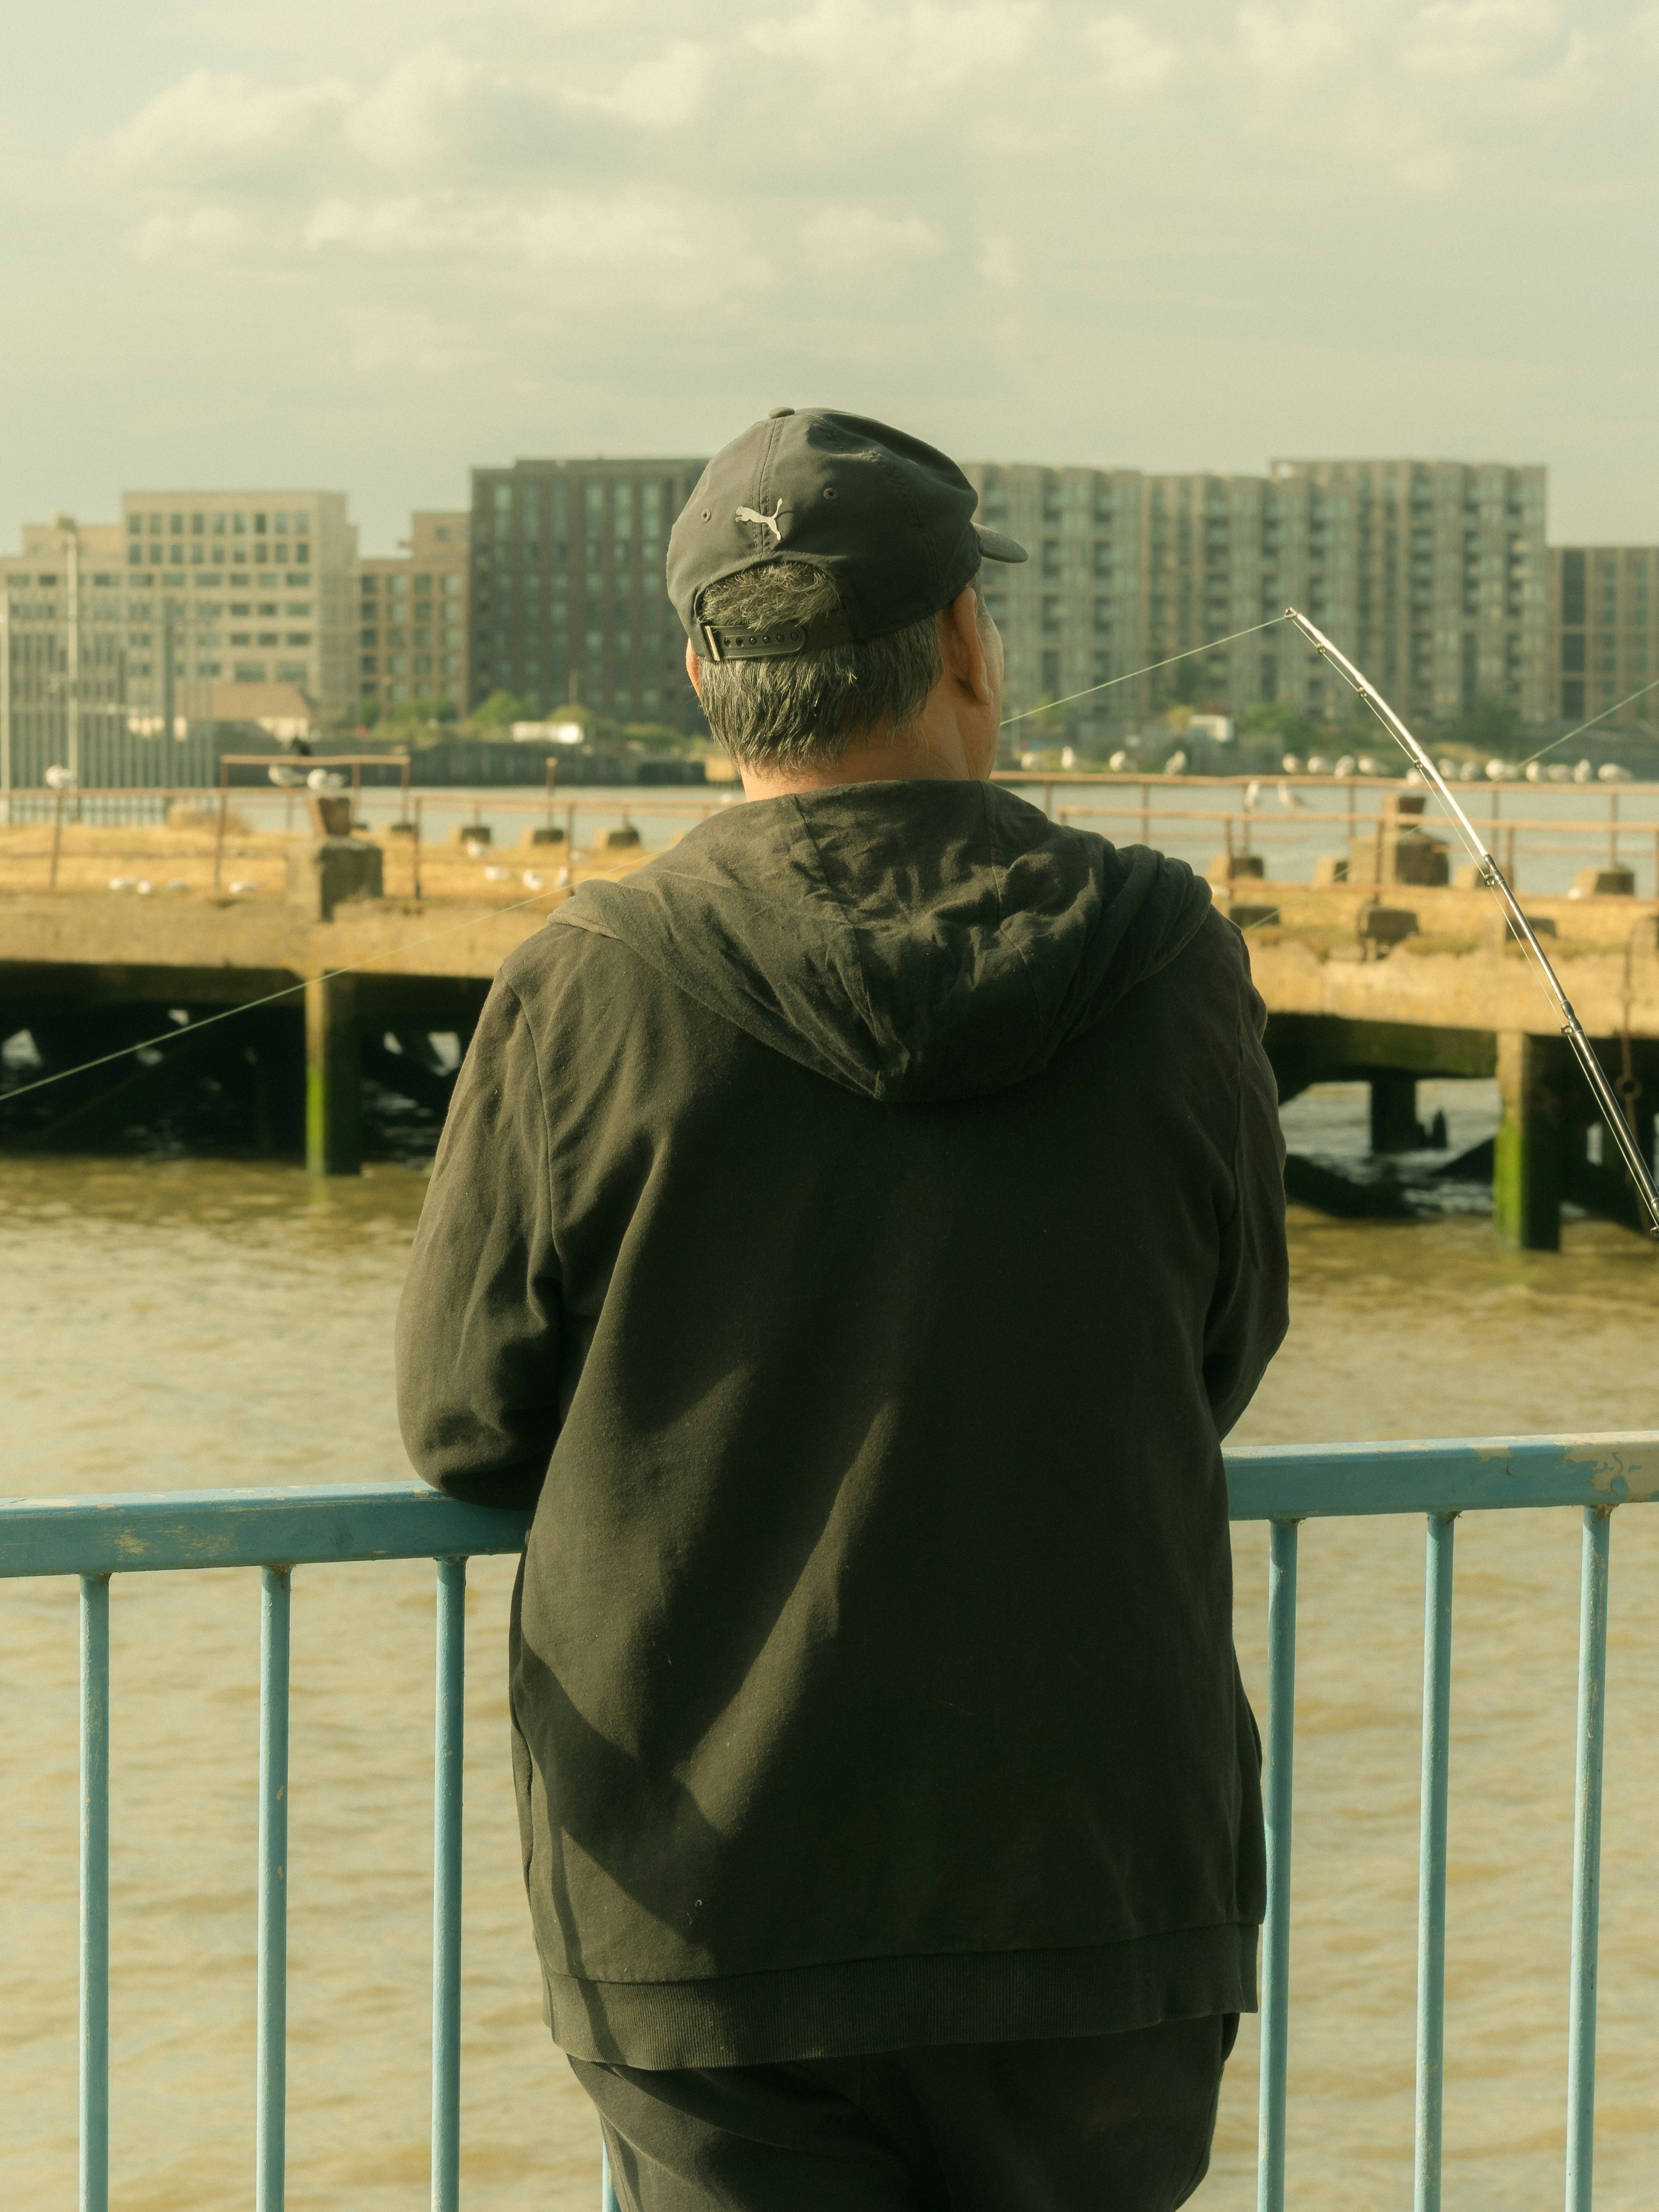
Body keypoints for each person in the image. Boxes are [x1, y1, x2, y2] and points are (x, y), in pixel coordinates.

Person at [396, 408, 1288, 2211]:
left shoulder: (588, 985)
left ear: (708, 673)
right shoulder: (1171, 953)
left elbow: (465, 1420)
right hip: (1097, 1900)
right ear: (966, 639)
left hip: (715, 1907)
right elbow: (1228, 1343)